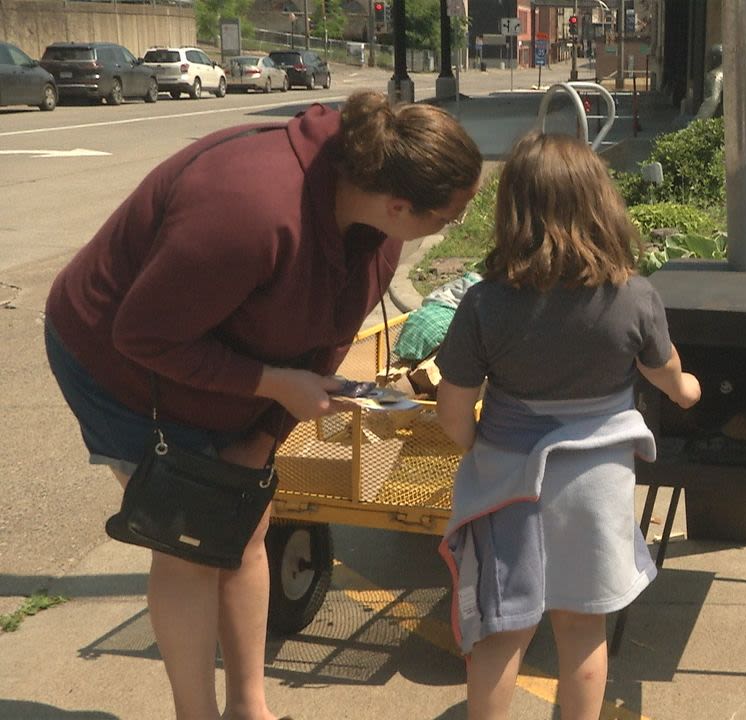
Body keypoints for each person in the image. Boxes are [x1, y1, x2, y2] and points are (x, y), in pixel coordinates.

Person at [44, 91, 482, 720]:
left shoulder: (378, 233)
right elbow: (142, 336)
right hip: (122, 363)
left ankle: (249, 708)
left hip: (219, 358)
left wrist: (265, 433)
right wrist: (270, 383)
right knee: (189, 545)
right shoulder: (248, 211)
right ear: (399, 203)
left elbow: (328, 341)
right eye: (450, 217)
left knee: (249, 524)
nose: (451, 228)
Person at [433, 132, 702, 720]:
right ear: (602, 204)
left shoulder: (483, 304)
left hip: (511, 483)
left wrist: (481, 447)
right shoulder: (634, 297)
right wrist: (690, 391)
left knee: (503, 633)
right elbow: (674, 381)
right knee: (583, 632)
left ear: (513, 213)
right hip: (597, 487)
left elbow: (452, 411)